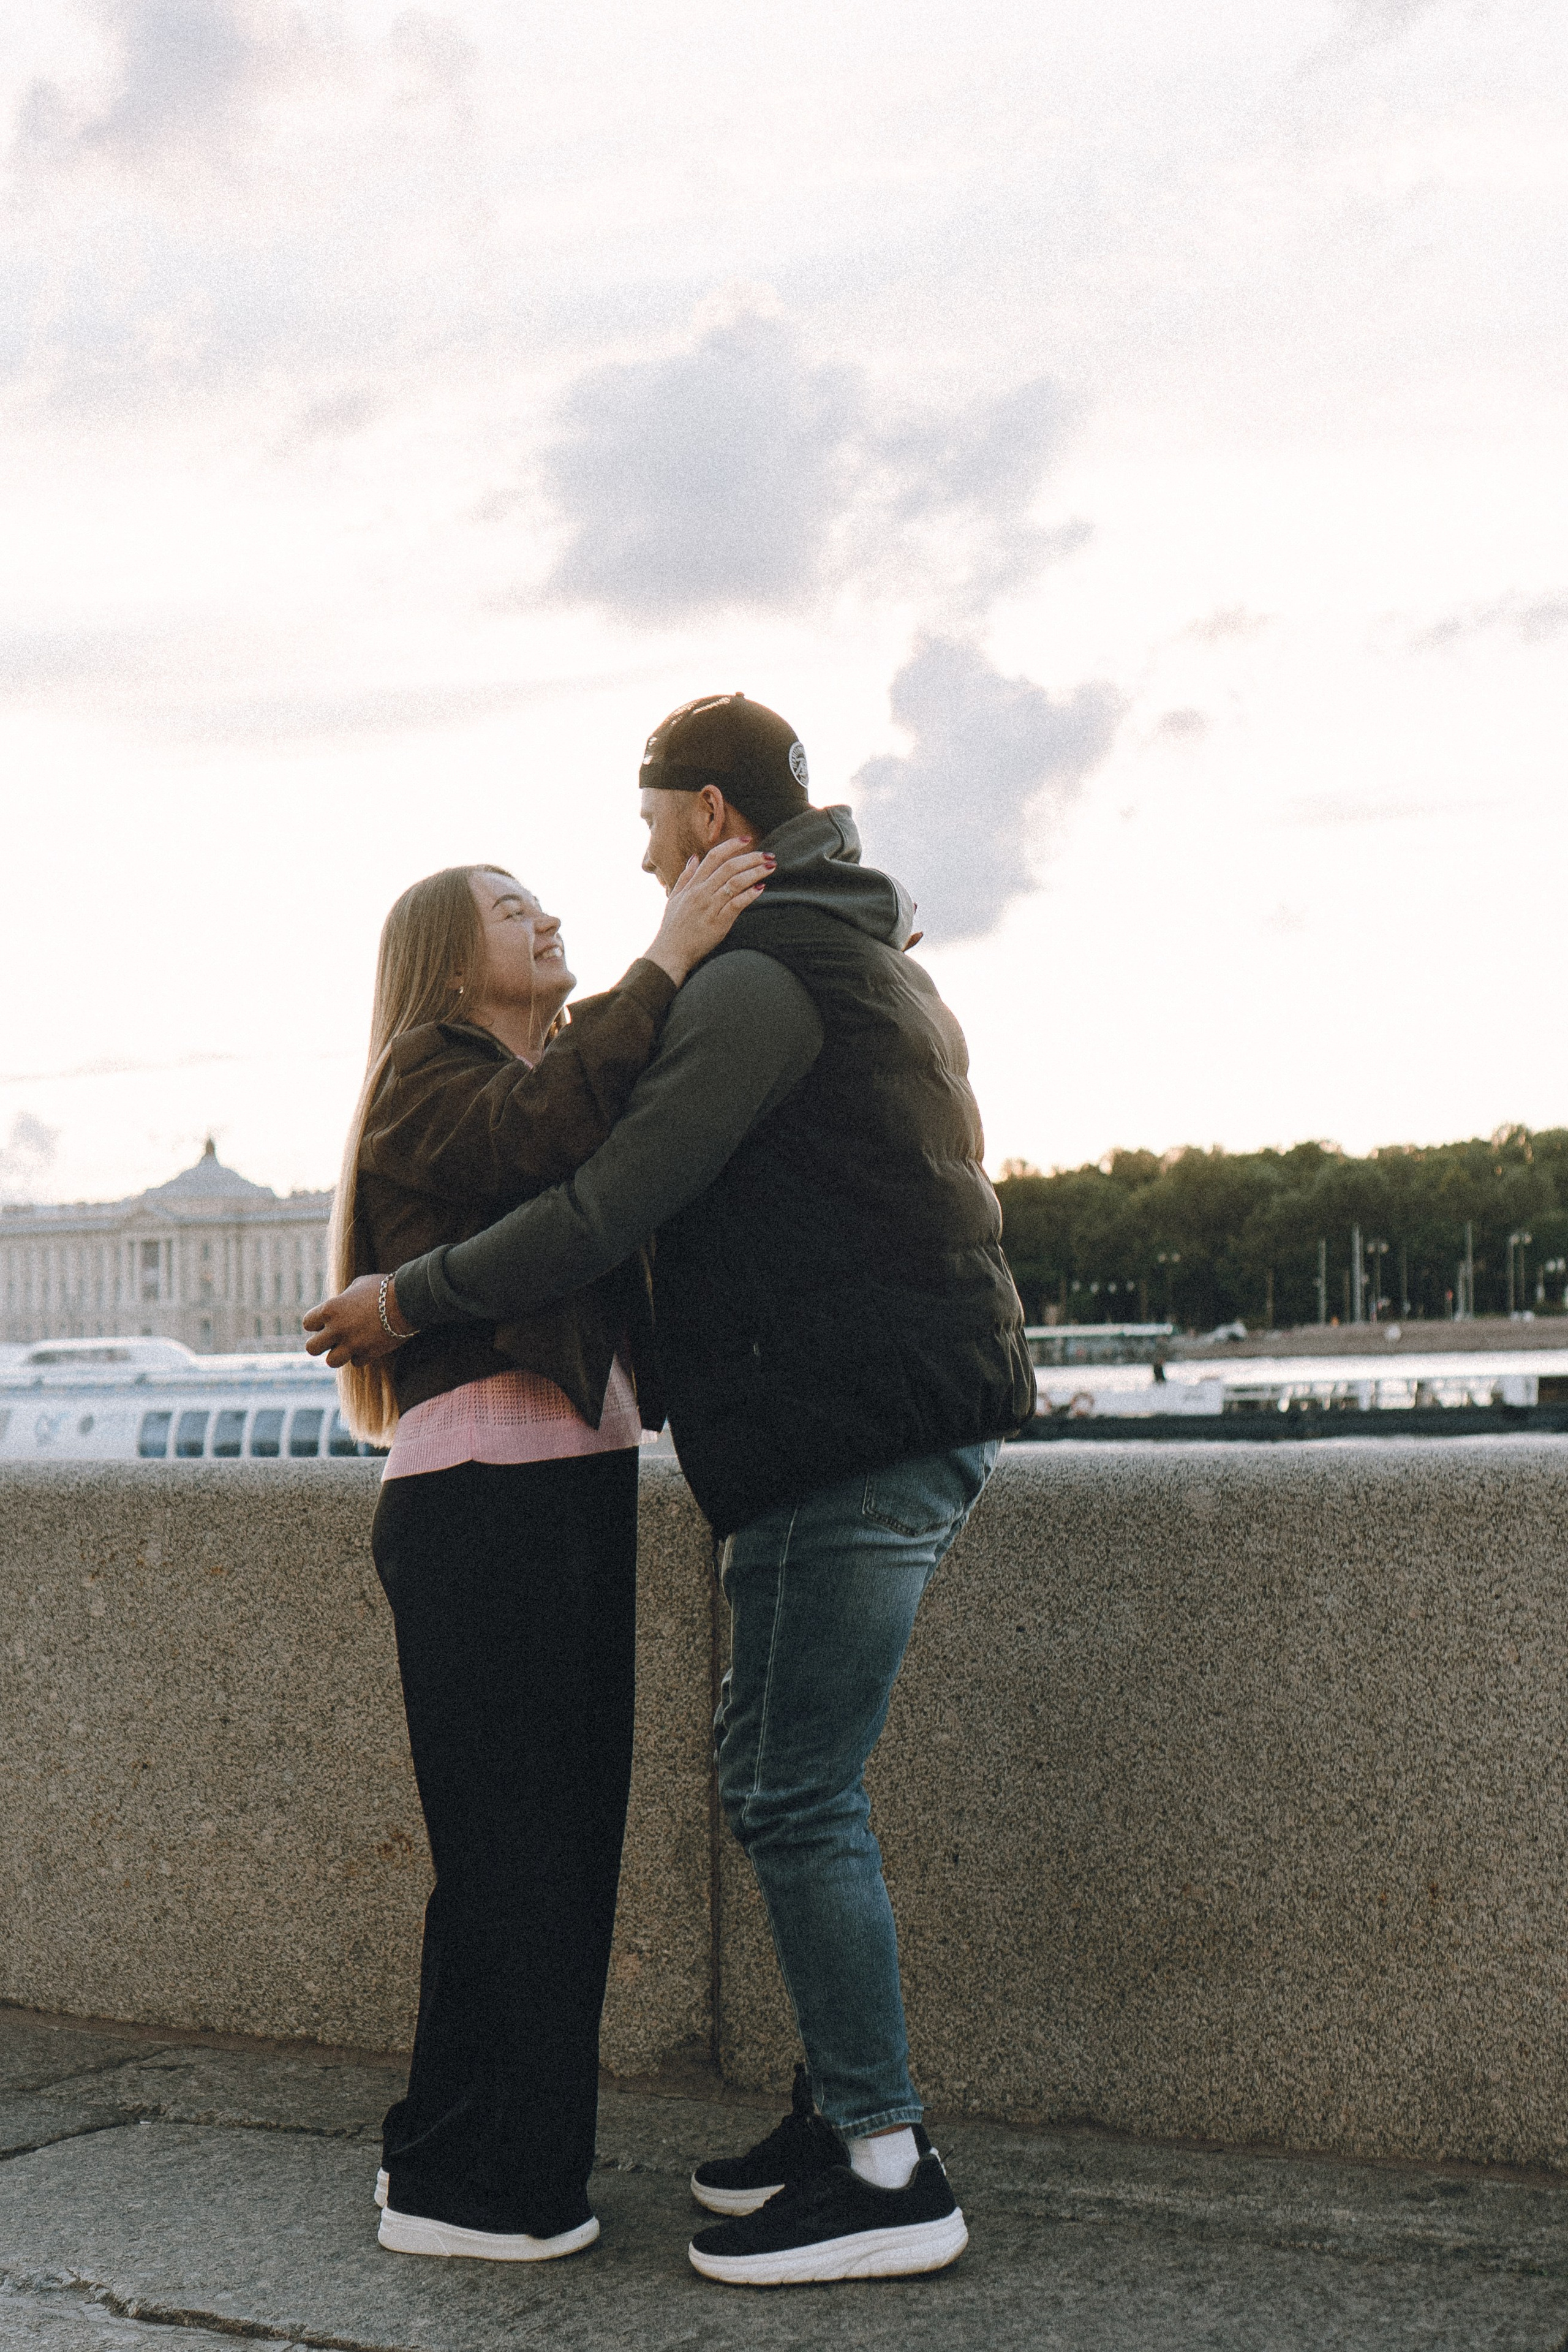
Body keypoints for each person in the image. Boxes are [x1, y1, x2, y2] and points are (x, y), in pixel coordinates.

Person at [306, 693, 1035, 2288]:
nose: (626, 862)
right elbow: (573, 1136)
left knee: (787, 1791)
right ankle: (844, 2112)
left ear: (708, 819)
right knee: (764, 1784)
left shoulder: (763, 976)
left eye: (647, 824)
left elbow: (608, 1194)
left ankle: (885, 2160)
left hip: (848, 1427)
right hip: (880, 1409)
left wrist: (410, 1296)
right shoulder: (849, 946)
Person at [313, 835, 771, 2267]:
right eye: (512, 910)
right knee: (522, 1851)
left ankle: (455, 2161)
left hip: (543, 1495)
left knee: (530, 1852)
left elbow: (600, 1152)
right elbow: (541, 1143)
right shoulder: (433, 1078)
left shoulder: (540, 1075)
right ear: (451, 961)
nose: (548, 914)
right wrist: (670, 955)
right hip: (488, 1503)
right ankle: (486, 2190)